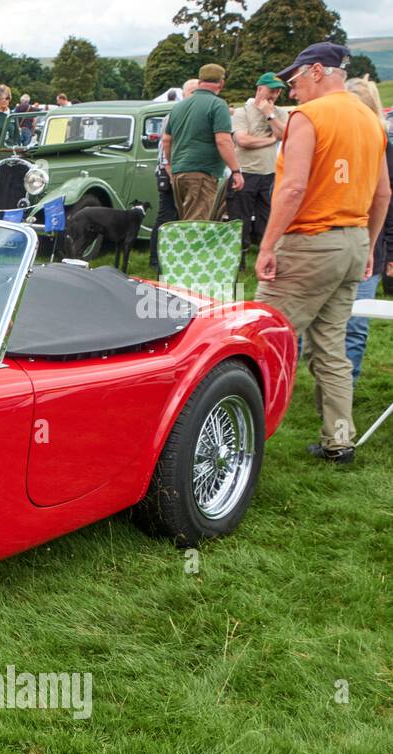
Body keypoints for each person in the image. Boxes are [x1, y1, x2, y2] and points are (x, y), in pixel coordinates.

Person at [256, 42, 391, 464]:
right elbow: (383, 191)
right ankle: (339, 440)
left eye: (294, 81)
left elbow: (294, 187)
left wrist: (266, 245)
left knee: (261, 337)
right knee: (331, 348)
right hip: (352, 241)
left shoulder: (309, 116)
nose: (292, 92)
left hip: (311, 242)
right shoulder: (371, 119)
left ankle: (238, 431)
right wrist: (367, 245)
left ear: (317, 71)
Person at [342, 76, 393, 382]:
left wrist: (385, 251)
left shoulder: (385, 149)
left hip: (368, 247)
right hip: (336, 244)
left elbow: (388, 204)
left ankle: (346, 386)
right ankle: (330, 384)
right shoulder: (338, 143)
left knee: (355, 321)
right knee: (323, 320)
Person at [163, 63, 244, 220]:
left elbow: (166, 140)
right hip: (202, 172)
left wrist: (173, 165)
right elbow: (223, 140)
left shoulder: (179, 106)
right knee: (197, 225)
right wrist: (235, 171)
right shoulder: (218, 104)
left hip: (179, 172)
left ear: (200, 81)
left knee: (186, 221)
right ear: (221, 83)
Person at [229, 72, 288, 250]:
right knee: (240, 221)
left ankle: (267, 256)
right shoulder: (242, 112)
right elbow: (243, 141)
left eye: (278, 92)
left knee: (268, 219)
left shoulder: (279, 113)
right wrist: (271, 140)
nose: (274, 95)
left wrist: (270, 115)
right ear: (259, 89)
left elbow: (286, 135)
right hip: (245, 172)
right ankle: (238, 261)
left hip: (270, 173)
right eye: (271, 90)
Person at [150, 79, 199, 269]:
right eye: (191, 92)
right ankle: (155, 260)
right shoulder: (173, 115)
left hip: (189, 173)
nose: (194, 95)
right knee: (166, 216)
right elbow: (165, 149)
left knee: (185, 217)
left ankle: (178, 258)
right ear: (184, 94)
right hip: (169, 172)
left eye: (198, 91)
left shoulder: (200, 116)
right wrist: (172, 175)